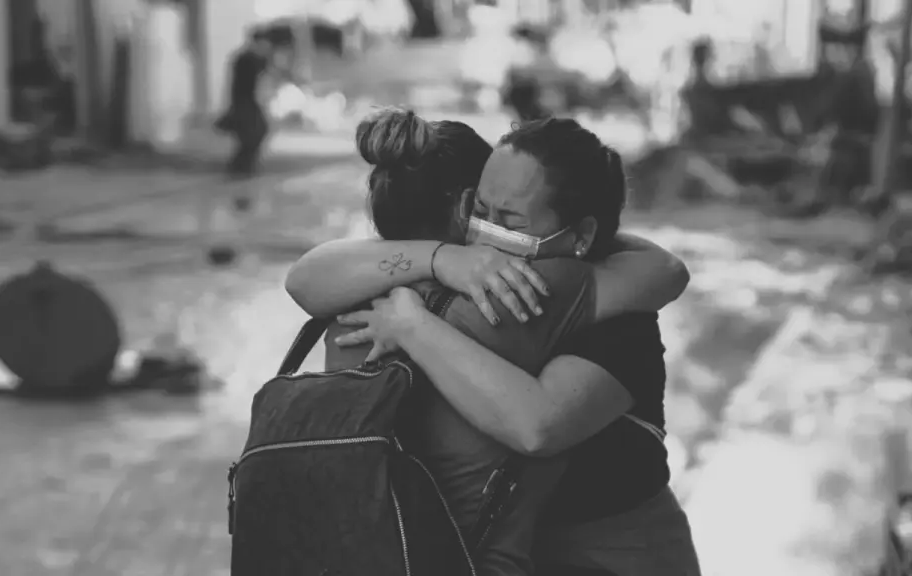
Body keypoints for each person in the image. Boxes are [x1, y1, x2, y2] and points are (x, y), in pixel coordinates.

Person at [287, 116, 699, 574]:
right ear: (462, 206)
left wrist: (413, 322)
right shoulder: (446, 281)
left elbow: (538, 426)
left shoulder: (587, 307)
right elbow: (663, 268)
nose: (486, 231)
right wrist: (443, 261)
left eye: (508, 219)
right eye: (479, 210)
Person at [217, 31, 272, 177]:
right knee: (253, 134)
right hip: (245, 103)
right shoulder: (247, 59)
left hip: (248, 103)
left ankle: (242, 166)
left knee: (255, 134)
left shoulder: (250, 58)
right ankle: (240, 167)